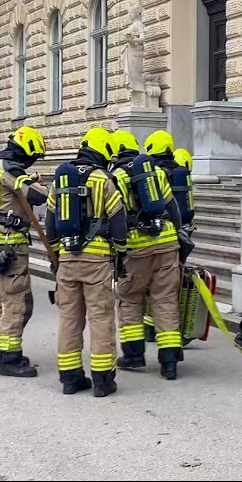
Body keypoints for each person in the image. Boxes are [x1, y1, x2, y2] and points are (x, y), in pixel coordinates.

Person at [47, 128, 127, 397]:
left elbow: (50, 224)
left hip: (67, 259)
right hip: (97, 261)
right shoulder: (103, 179)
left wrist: (57, 255)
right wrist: (121, 252)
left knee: (69, 318)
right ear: (103, 150)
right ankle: (103, 381)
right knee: (100, 317)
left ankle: (70, 379)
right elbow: (118, 219)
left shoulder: (60, 181)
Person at [108, 130, 186, 379]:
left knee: (130, 298)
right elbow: (172, 207)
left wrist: (117, 249)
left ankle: (133, 355)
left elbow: (114, 216)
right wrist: (178, 235)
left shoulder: (115, 177)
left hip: (136, 247)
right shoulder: (155, 171)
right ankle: (170, 361)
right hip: (166, 242)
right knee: (165, 300)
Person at [0, 126, 48, 377]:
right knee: (17, 301)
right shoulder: (10, 169)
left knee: (1, 299)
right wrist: (46, 189)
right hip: (11, 244)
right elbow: (35, 195)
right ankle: (11, 358)